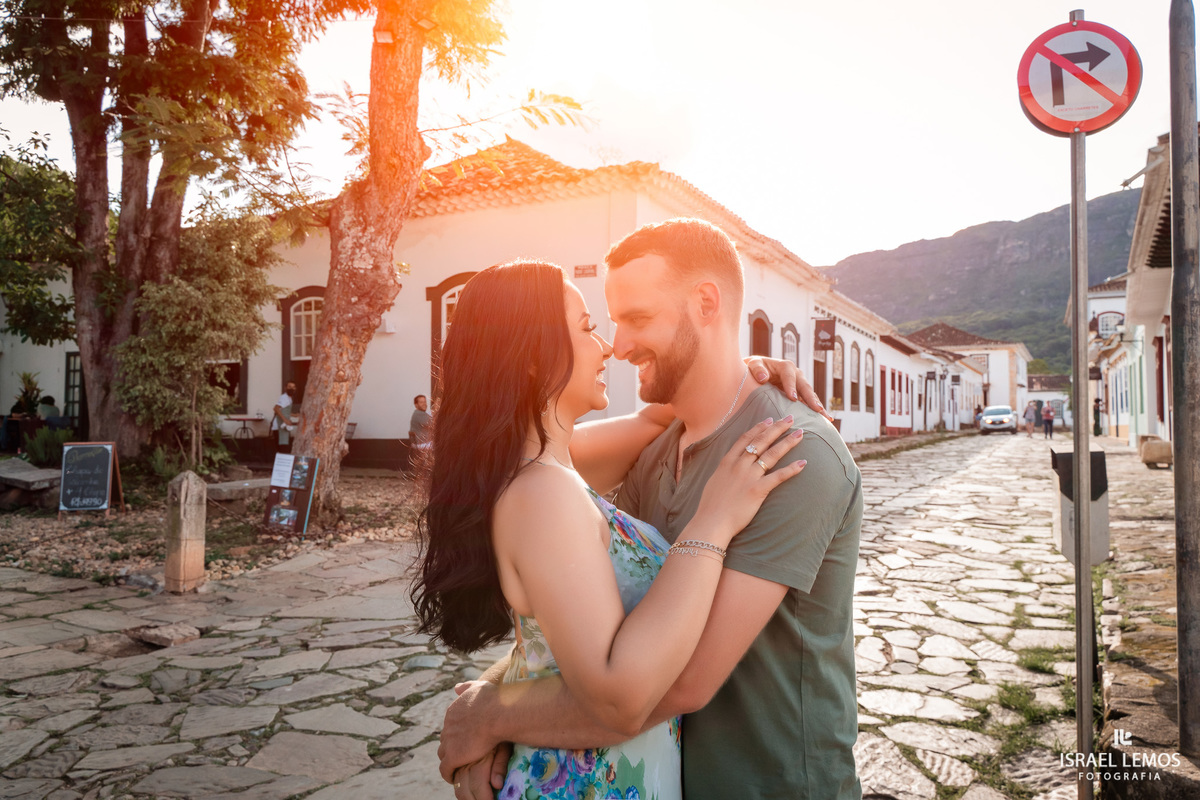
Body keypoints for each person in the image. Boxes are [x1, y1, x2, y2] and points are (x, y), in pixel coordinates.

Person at [438, 219, 863, 800]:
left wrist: (493, 715)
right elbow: (602, 630)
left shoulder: (790, 453)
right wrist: (494, 704)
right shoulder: (647, 456)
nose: (618, 343)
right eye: (600, 323)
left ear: (705, 303)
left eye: (636, 318)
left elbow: (674, 682)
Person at [271, 381, 296, 451]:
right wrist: (285, 420)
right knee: (282, 448)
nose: (291, 389)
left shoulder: (289, 398)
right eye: (289, 387)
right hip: (279, 426)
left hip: (284, 426)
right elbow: (276, 408)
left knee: (284, 447)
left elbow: (284, 411)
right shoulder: (284, 397)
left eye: (293, 387)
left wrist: (295, 415)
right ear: (286, 388)